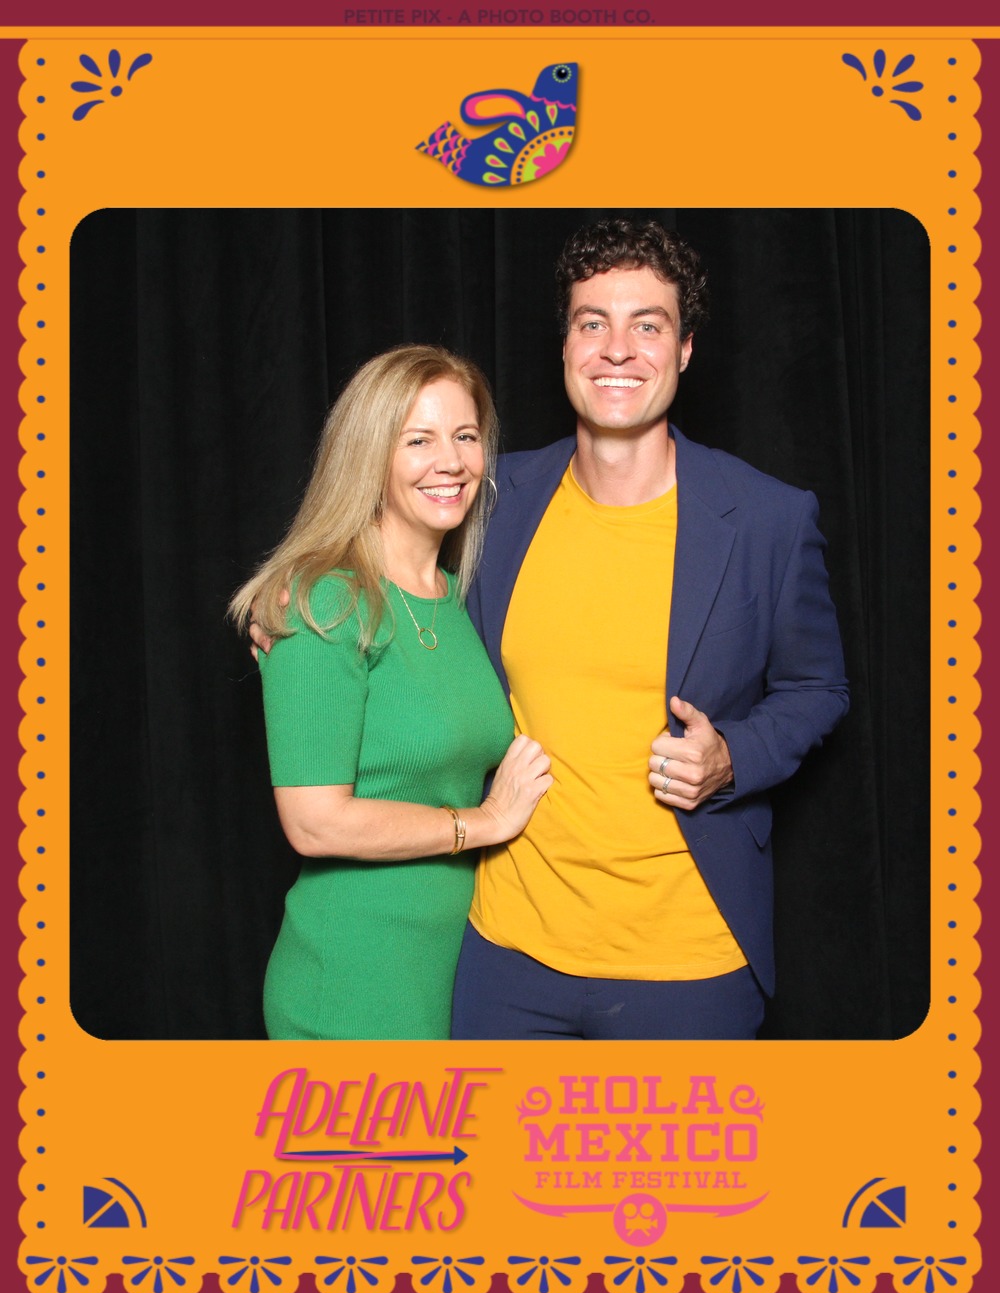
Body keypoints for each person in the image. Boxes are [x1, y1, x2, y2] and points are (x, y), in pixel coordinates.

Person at [451, 219, 849, 1039]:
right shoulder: (494, 499)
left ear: (685, 350)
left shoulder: (768, 519)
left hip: (688, 968)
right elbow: (388, 573)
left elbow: (818, 686)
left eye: (648, 325)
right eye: (592, 322)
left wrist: (733, 755)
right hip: (507, 956)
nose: (617, 349)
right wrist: (304, 609)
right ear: (566, 345)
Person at [230, 345, 551, 1040]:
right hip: (353, 979)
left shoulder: (457, 599)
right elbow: (314, 822)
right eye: (418, 440)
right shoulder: (325, 599)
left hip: (447, 973)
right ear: (369, 456)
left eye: (465, 436)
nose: (451, 461)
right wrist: (482, 823)